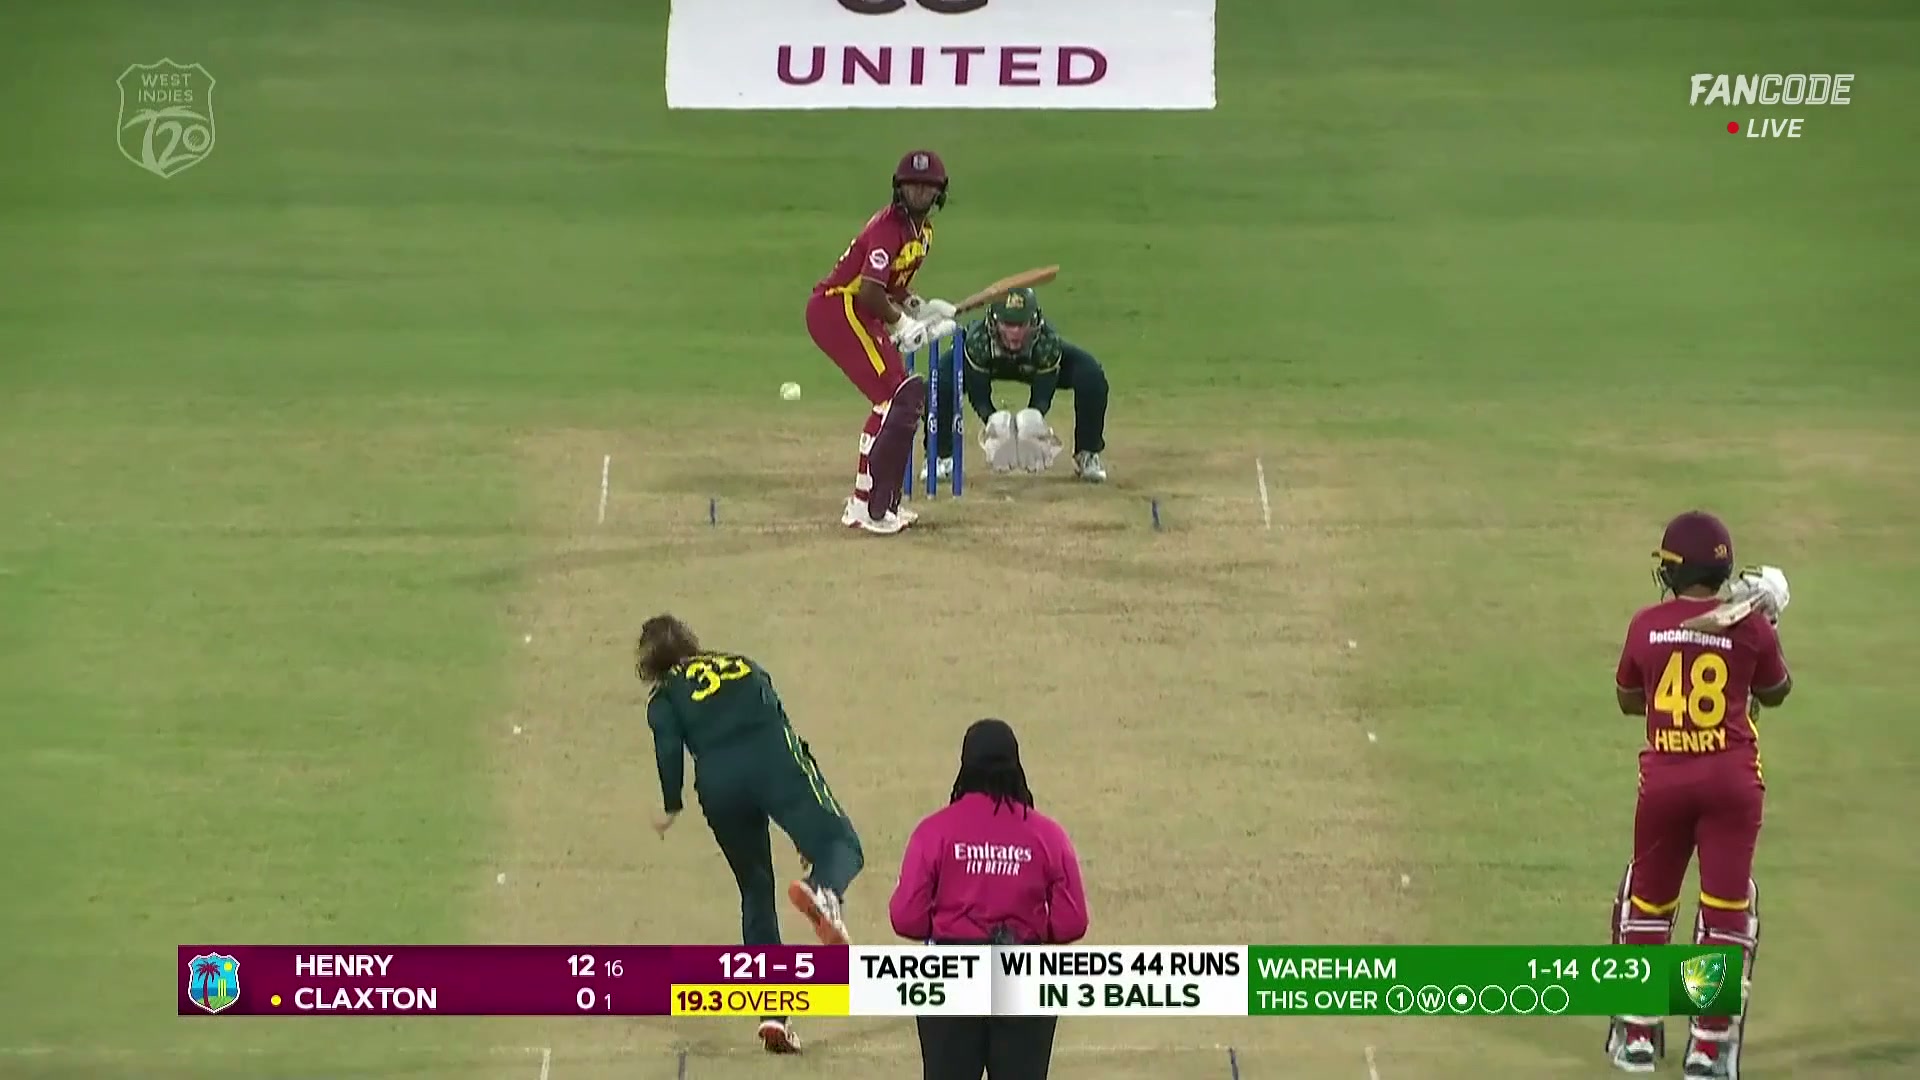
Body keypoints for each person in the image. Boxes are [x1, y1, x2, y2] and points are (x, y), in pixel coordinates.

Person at [1606, 512, 1791, 1079]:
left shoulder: (1646, 625)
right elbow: (1776, 690)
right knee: (1725, 912)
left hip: (1665, 781)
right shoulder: (1750, 628)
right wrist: (1768, 622)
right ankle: (1706, 1048)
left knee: (1648, 904)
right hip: (1732, 784)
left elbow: (1628, 699)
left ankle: (1638, 1036)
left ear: (1673, 570)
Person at [636, 614, 866, 1055]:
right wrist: (804, 830)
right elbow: (785, 730)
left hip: (719, 784)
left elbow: (668, 749)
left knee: (755, 890)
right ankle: (825, 889)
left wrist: (671, 806)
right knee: (842, 844)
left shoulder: (663, 698)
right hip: (773, 759)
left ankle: (773, 1010)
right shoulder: (743, 665)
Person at [890, 719, 1089, 1080]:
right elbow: (1072, 923)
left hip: (950, 977)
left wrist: (948, 928)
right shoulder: (1048, 835)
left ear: (965, 766)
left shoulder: (934, 831)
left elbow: (906, 918)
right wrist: (1032, 932)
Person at [805, 149, 961, 535]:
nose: (919, 192)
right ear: (899, 188)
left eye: (927, 186)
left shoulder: (922, 235)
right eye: (912, 185)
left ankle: (885, 501)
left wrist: (918, 307)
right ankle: (864, 504)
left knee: (905, 397)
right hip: (838, 307)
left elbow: (891, 286)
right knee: (892, 398)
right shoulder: (887, 228)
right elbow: (869, 290)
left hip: (863, 311)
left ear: (939, 192)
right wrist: (902, 324)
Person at [930, 286, 1110, 483]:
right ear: (994, 321)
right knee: (939, 381)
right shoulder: (978, 340)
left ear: (1033, 321)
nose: (1015, 332)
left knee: (1091, 376)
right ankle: (941, 457)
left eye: (1021, 324)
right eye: (1008, 324)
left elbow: (1043, 392)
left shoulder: (1047, 340)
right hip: (987, 363)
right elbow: (978, 393)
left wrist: (1032, 422)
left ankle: (1087, 453)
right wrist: (992, 421)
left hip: (1033, 363)